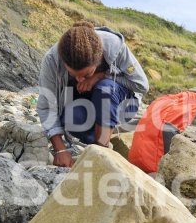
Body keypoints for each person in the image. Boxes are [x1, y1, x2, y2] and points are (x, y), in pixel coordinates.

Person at [36, 21, 149, 167]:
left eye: (86, 73)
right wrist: (60, 150)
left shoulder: (114, 46)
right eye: (73, 74)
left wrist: (99, 76)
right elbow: (46, 106)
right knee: (71, 119)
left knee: (105, 88)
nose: (80, 80)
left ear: (99, 59)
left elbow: (142, 85)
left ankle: (102, 150)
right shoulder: (52, 60)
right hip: (87, 105)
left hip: (122, 104)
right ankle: (100, 137)